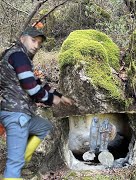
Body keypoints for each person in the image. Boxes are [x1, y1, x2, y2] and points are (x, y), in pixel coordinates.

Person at [0, 26, 73, 179]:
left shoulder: (20, 58)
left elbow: (37, 82)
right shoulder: (19, 56)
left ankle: (23, 158)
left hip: (21, 114)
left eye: (39, 43)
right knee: (14, 163)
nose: (36, 46)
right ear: (22, 38)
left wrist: (60, 95)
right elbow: (31, 88)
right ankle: (16, 167)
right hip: (16, 115)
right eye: (33, 40)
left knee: (44, 126)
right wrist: (54, 100)